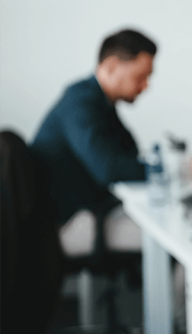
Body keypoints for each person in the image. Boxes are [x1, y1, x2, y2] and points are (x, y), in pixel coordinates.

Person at [32, 29, 157, 225]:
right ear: (111, 66)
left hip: (88, 208)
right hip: (69, 219)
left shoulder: (100, 101)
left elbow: (129, 152)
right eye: (140, 77)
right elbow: (108, 169)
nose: (146, 86)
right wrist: (176, 171)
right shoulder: (80, 102)